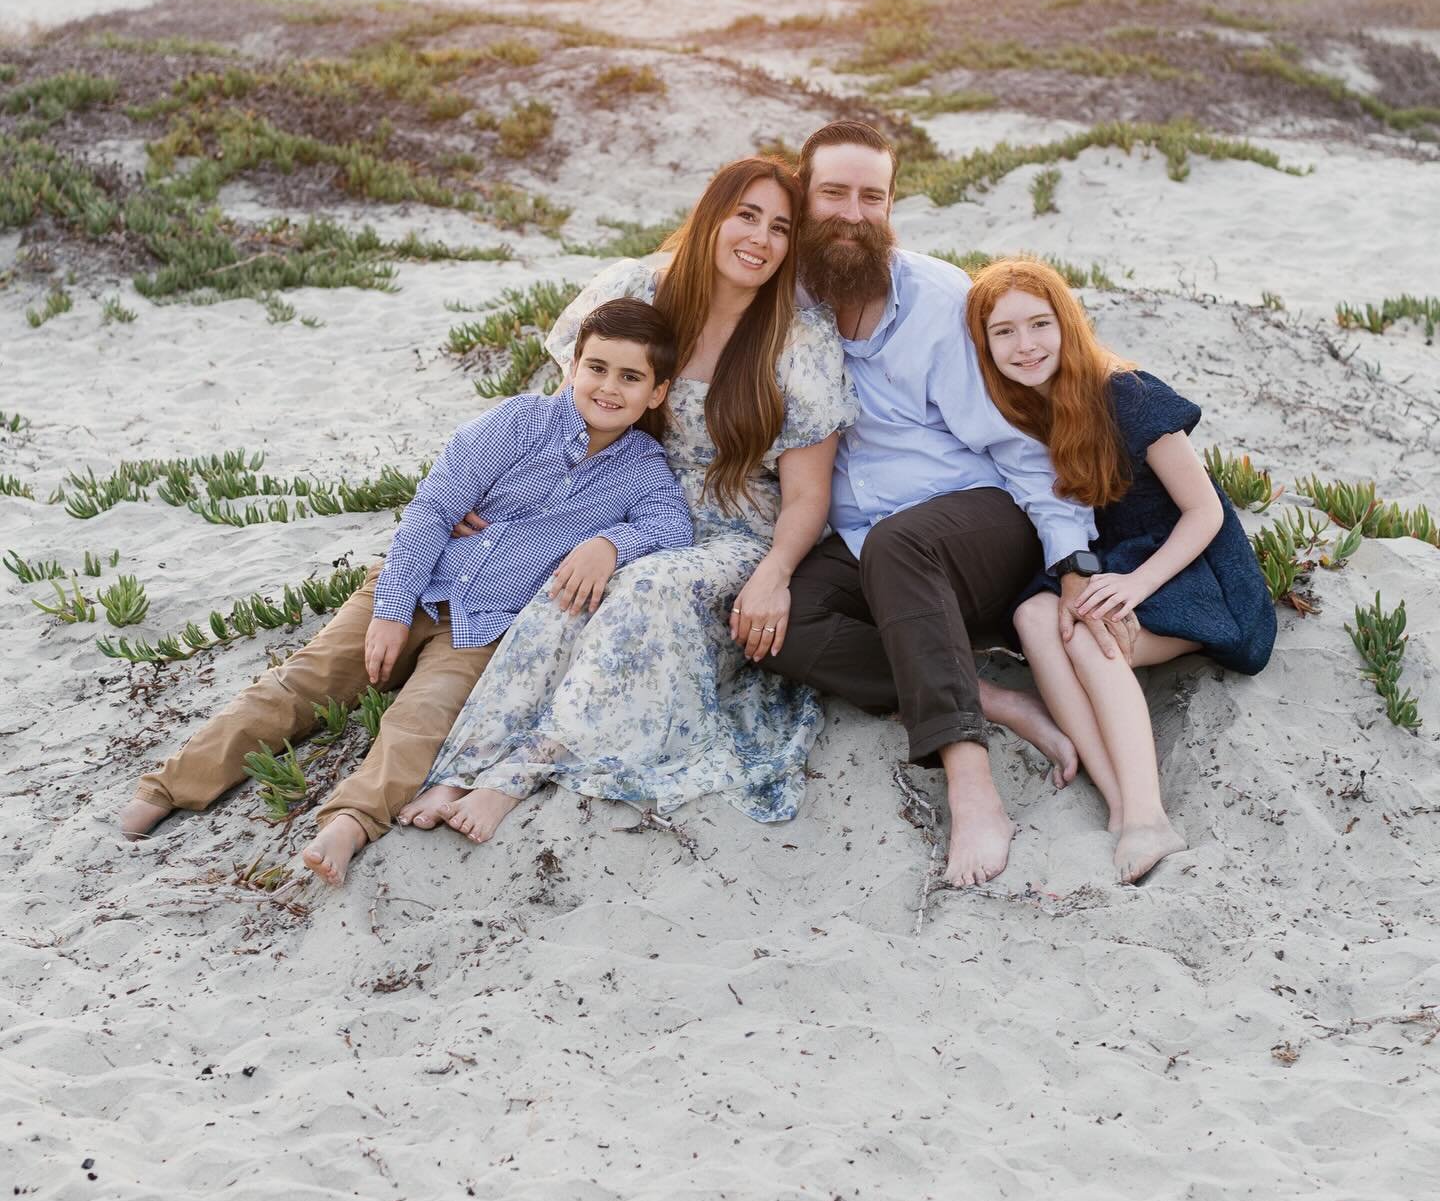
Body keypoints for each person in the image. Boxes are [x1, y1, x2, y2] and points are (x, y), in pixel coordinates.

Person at [116, 299, 692, 886]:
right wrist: (390, 612)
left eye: (630, 377)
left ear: (657, 392)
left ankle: (349, 821)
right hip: (412, 586)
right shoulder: (517, 424)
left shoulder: (644, 471)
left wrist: (610, 545)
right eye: (597, 367)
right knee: (302, 683)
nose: (608, 387)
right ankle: (171, 786)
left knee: (420, 722)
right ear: (573, 365)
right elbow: (432, 511)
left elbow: (674, 529)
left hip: (484, 627)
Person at [399, 154, 856, 842]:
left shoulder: (798, 338)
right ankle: (462, 767)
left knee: (643, 586)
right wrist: (510, 498)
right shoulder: (637, 289)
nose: (761, 239)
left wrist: (774, 575)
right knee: (566, 591)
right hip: (614, 508)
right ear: (711, 217)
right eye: (747, 216)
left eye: (781, 228)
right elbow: (572, 413)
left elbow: (807, 495)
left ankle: (516, 773)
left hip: (732, 539)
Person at [766, 121, 1111, 890]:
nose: (852, 215)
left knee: (901, 543)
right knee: (772, 624)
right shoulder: (781, 300)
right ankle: (983, 694)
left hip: (981, 523)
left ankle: (971, 782)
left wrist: (1074, 558)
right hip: (864, 542)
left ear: (891, 206)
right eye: (833, 194)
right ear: (802, 194)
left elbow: (1022, 448)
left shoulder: (938, 301)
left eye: (872, 197)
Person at [967, 258, 1275, 884]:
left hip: (1191, 573)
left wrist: (1137, 584)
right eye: (1004, 332)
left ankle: (1149, 813)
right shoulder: (1020, 409)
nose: (1025, 346)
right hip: (1112, 566)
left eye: (1039, 324)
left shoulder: (1127, 394)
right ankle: (1119, 801)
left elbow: (1205, 511)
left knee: (1085, 629)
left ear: (1067, 323)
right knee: (1032, 613)